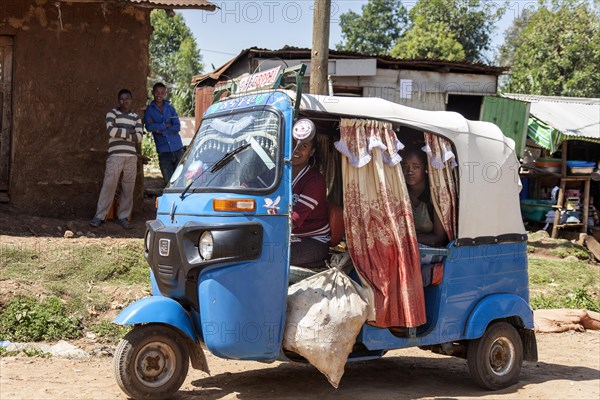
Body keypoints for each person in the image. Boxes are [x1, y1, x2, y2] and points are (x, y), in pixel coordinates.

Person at [90, 89, 143, 230]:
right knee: (109, 185)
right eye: (121, 99)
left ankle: (123, 217)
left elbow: (139, 137)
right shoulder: (112, 113)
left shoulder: (136, 117)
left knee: (128, 188)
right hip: (115, 156)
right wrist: (130, 131)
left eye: (127, 99)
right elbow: (111, 131)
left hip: (131, 157)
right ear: (118, 100)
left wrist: (121, 131)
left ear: (131, 100)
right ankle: (100, 216)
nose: (124, 101)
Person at [290, 130, 331, 268]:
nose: (296, 149)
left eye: (303, 146)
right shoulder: (280, 174)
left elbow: (294, 220)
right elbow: (254, 185)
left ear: (311, 152)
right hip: (290, 237)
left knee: (272, 254)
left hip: (313, 241)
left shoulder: (314, 181)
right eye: (293, 144)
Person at [401, 147, 448, 248]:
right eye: (405, 166)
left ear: (425, 168)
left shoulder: (434, 196)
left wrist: (407, 240)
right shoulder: (400, 194)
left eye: (415, 166)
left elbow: (439, 238)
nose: (409, 171)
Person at [144, 82, 183, 184]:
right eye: (157, 92)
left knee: (181, 180)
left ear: (165, 94)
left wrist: (159, 129)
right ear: (152, 92)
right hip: (163, 150)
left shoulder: (170, 108)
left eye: (162, 93)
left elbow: (177, 126)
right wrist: (165, 125)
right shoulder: (149, 110)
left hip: (177, 148)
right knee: (168, 182)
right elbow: (149, 127)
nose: (159, 95)